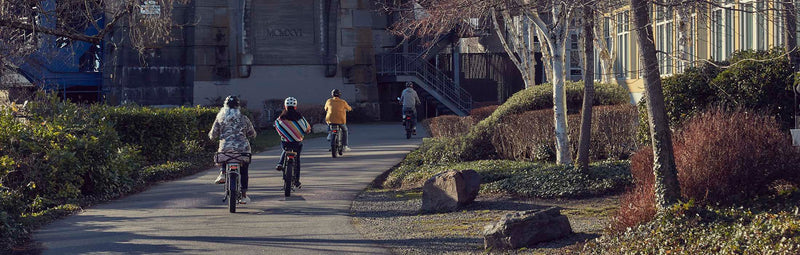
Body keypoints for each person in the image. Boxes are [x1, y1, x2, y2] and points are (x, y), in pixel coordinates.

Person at [209, 95, 257, 204]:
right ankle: (244, 196)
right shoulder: (244, 119)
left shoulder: (220, 118)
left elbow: (213, 134)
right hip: (243, 150)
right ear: (238, 107)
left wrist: (213, 137)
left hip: (225, 149)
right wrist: (252, 135)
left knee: (226, 155)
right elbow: (252, 133)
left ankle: (222, 173)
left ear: (225, 106)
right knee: (244, 171)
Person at [274, 97, 311, 188]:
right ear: (295, 107)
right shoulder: (300, 117)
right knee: (297, 161)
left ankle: (280, 164)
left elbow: (277, 126)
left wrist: (285, 134)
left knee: (285, 150)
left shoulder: (281, 117)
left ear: (285, 106)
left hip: (286, 143)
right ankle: (297, 181)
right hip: (297, 143)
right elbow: (307, 128)